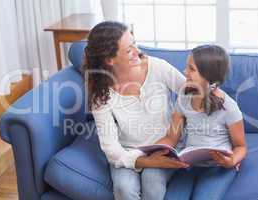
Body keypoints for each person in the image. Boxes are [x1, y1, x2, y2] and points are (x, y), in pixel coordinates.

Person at [83, 21, 189, 200]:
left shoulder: (157, 67)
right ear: (110, 60)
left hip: (166, 144)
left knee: (152, 182)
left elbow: (192, 93)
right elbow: (111, 148)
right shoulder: (100, 92)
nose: (136, 51)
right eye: (128, 50)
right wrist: (145, 161)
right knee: (124, 188)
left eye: (134, 43)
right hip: (128, 150)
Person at [156, 44, 247, 200]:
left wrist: (232, 161)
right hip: (189, 165)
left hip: (218, 167)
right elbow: (172, 138)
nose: (185, 72)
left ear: (208, 74)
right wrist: (152, 151)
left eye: (191, 69)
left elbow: (241, 146)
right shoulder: (184, 98)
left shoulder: (229, 107)